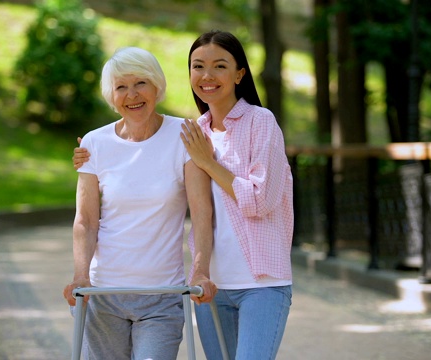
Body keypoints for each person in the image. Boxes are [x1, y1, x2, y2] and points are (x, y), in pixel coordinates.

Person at [73, 30, 294, 360]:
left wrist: (207, 161)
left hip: (259, 282)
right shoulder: (195, 130)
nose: (207, 76)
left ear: (239, 74)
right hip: (210, 287)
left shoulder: (256, 123)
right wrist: (87, 156)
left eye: (219, 66)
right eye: (198, 66)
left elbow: (258, 201)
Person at [62, 46, 217, 360]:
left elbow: (201, 211)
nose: (132, 95)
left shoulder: (184, 134)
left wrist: (200, 272)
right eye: (121, 87)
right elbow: (86, 220)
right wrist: (81, 275)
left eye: (140, 83)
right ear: (112, 95)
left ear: (157, 86)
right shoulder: (95, 142)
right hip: (103, 296)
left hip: (162, 296)